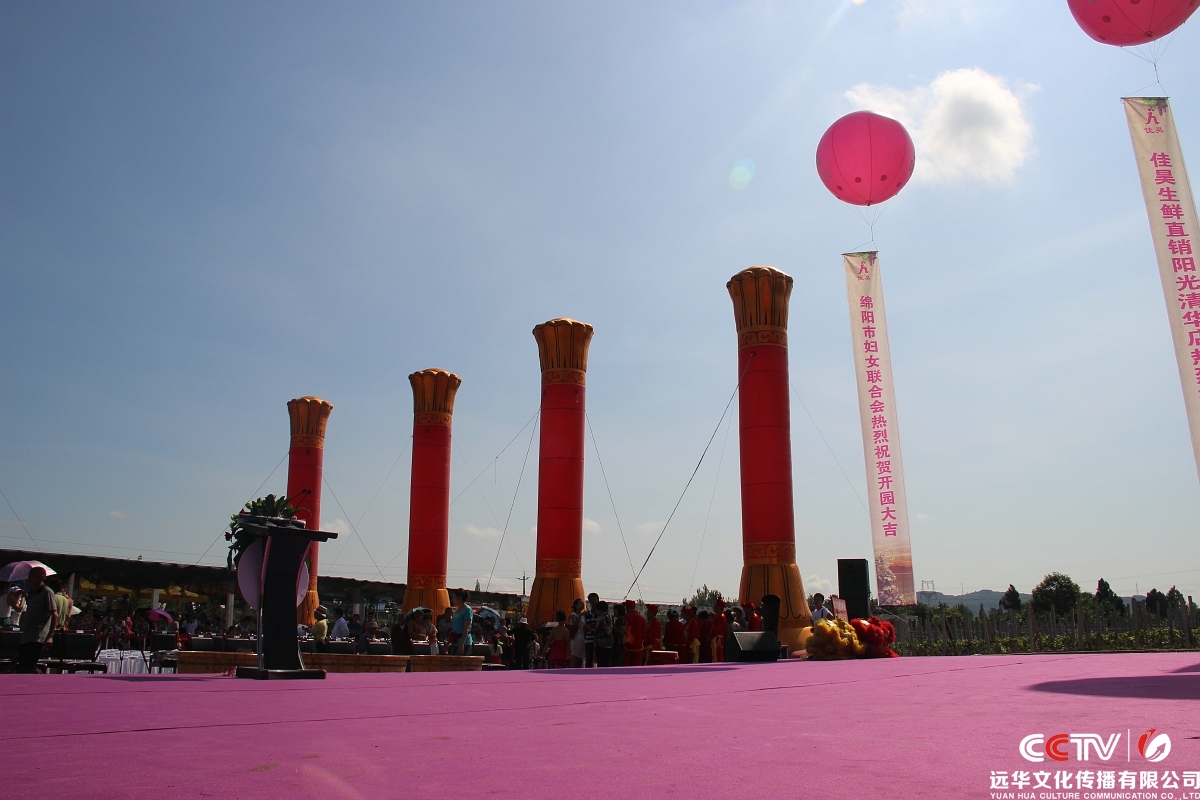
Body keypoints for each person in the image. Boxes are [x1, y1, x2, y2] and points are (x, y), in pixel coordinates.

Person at [18, 567, 58, 673]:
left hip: (37, 636)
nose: (29, 579)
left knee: (30, 666)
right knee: (22, 667)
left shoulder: (47, 592)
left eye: (32, 577)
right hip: (26, 636)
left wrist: (50, 636)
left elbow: (54, 614)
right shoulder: (32, 593)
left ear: (41, 577)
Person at [449, 589, 474, 655]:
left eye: (454, 597)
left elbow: (466, 628)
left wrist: (462, 644)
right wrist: (448, 643)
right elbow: (454, 627)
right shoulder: (456, 611)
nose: (452, 598)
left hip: (464, 642)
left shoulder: (467, 609)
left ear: (459, 598)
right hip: (455, 641)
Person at [623, 600, 646, 666]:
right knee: (637, 664)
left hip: (628, 644)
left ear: (627, 607)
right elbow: (644, 633)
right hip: (638, 644)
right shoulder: (642, 618)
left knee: (627, 664)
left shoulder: (625, 617)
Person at [582, 594, 599, 668]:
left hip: (599, 640)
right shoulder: (587, 614)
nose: (593, 601)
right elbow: (584, 626)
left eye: (594, 599)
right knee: (588, 659)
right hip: (588, 639)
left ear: (598, 600)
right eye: (591, 600)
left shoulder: (600, 613)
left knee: (599, 659)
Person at [568, 598, 586, 668]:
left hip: (582, 637)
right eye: (580, 603)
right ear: (575, 605)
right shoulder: (573, 614)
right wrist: (580, 615)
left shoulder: (583, 615)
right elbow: (574, 625)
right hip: (576, 637)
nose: (582, 604)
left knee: (581, 658)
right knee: (576, 657)